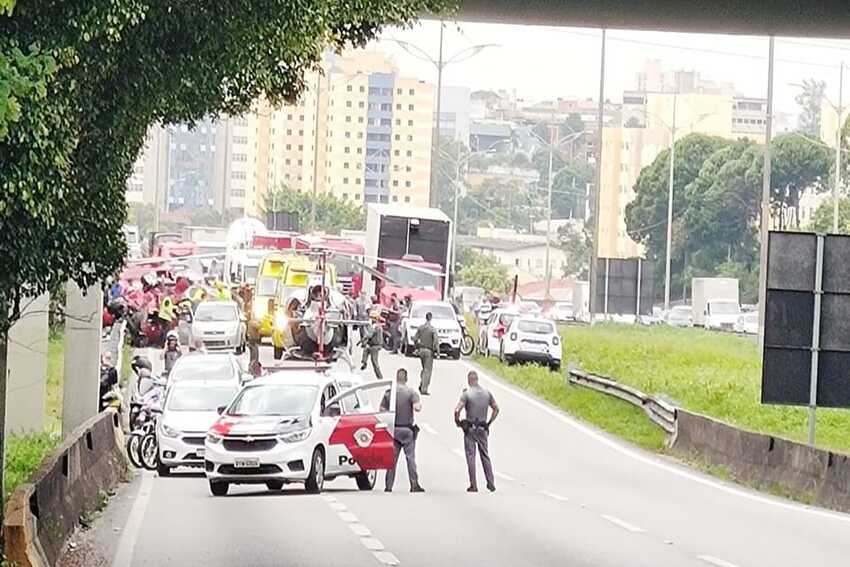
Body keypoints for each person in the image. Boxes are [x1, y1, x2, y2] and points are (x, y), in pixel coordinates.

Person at [454, 370, 500, 492]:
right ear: (477, 379)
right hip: (483, 428)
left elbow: (457, 410)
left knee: (471, 456)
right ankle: (491, 482)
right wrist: (489, 422)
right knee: (485, 455)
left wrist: (458, 422)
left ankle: (473, 485)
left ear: (469, 380)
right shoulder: (487, 393)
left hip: (470, 429)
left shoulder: (467, 394)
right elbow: (496, 409)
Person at [381, 368, 424, 493]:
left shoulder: (389, 393)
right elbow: (417, 408)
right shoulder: (411, 393)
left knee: (392, 460)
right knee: (410, 458)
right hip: (407, 431)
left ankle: (388, 486)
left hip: (394, 430)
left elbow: (382, 409)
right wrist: (417, 404)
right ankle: (414, 484)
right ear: (406, 378)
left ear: (396, 378)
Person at [413, 312, 439, 395]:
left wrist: (416, 347)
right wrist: (437, 352)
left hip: (421, 350)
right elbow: (435, 342)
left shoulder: (421, 328)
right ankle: (424, 389)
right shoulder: (432, 329)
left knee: (424, 368)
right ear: (431, 318)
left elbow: (415, 339)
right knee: (427, 370)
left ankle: (422, 383)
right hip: (429, 351)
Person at [359, 312, 384, 380]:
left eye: (372, 318)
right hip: (373, 345)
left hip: (375, 346)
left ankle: (380, 377)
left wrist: (363, 339)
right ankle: (364, 362)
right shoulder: (376, 326)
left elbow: (369, 335)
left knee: (374, 362)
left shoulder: (376, 326)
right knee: (366, 349)